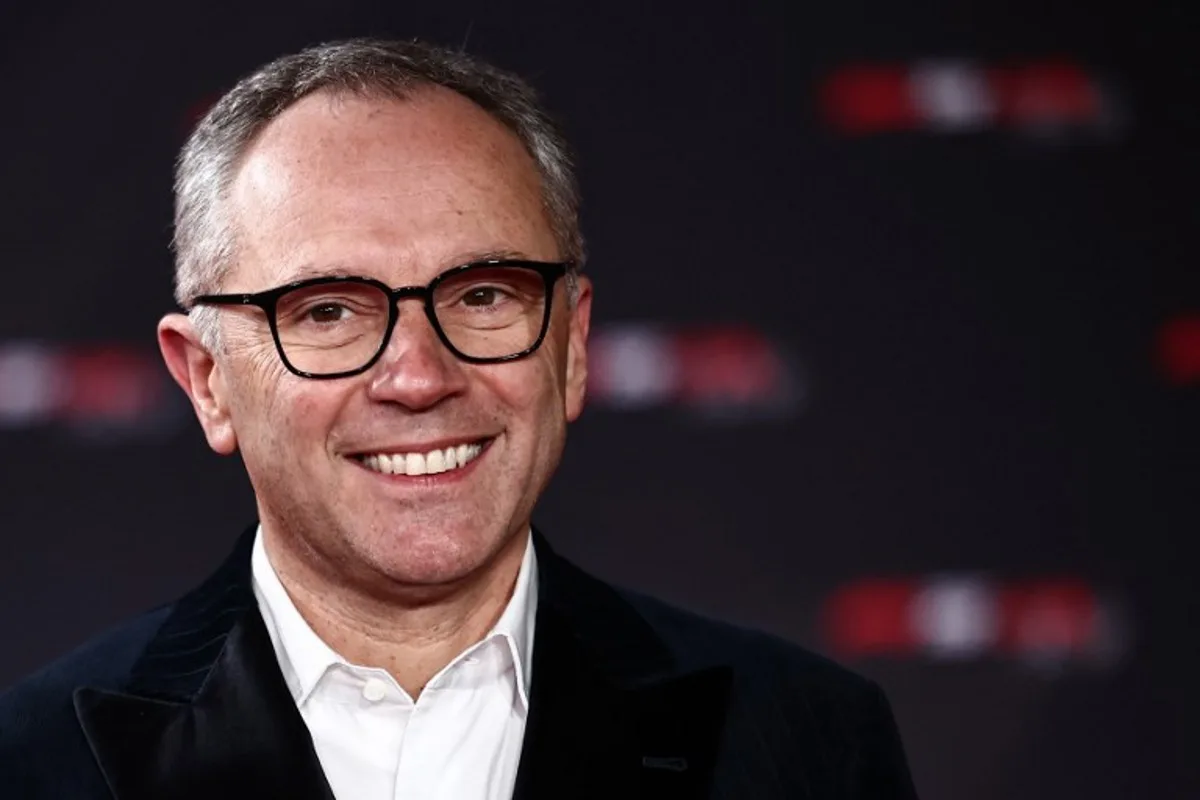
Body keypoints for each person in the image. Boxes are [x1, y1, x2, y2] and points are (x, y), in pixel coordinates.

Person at [0, 38, 918, 799]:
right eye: (328, 310)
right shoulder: (30, 762)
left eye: (483, 295)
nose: (417, 376)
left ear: (571, 346)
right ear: (207, 379)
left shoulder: (809, 745)